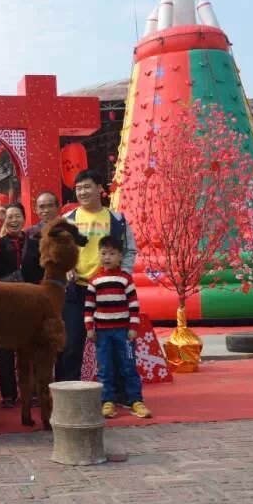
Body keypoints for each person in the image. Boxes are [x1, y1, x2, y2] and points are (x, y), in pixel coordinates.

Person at [58, 169, 136, 383]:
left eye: (87, 187)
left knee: (111, 343)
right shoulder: (68, 220)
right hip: (77, 289)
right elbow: (58, 251)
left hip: (108, 290)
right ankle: (69, 390)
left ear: (100, 189)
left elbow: (129, 250)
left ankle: (116, 392)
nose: (82, 192)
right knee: (72, 342)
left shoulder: (116, 219)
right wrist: (66, 267)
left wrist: (123, 276)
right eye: (78, 188)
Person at [85, 236, 151, 419]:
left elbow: (134, 306)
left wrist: (133, 328)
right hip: (102, 334)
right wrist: (90, 328)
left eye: (112, 254)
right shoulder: (94, 281)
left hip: (123, 333)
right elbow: (89, 307)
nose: (107, 257)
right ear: (98, 255)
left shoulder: (126, 280)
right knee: (105, 367)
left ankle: (136, 400)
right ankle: (107, 401)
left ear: (120, 256)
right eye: (104, 253)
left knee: (128, 366)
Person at [0, 202, 27, 408]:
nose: (14, 220)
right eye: (9, 217)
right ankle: (9, 395)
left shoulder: (32, 241)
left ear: (24, 218)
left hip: (28, 302)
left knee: (28, 348)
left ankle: (31, 392)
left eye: (17, 216)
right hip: (4, 303)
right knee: (4, 350)